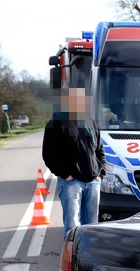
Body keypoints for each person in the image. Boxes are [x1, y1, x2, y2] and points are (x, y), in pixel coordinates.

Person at [42, 87, 106, 240]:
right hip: (71, 183)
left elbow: (99, 149)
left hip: (93, 182)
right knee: (72, 226)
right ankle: (71, 260)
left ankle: (88, 257)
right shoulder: (56, 123)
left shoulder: (90, 121)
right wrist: (65, 175)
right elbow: (49, 155)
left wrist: (100, 173)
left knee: (91, 225)